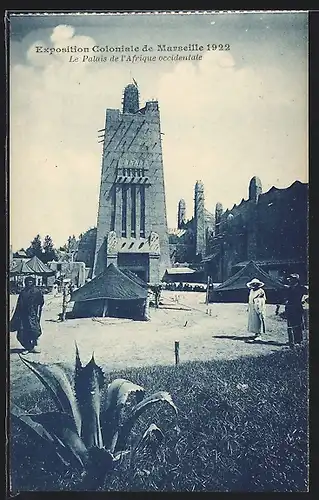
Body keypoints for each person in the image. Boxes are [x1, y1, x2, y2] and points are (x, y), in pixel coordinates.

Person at [10, 276, 44, 354]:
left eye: (31, 282)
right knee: (21, 333)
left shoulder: (37, 291)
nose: (29, 283)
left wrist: (38, 314)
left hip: (32, 315)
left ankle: (33, 344)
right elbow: (19, 304)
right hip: (22, 315)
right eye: (28, 282)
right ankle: (29, 347)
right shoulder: (23, 292)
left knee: (33, 330)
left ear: (33, 282)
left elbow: (40, 303)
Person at [284, 273, 308, 348]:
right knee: (290, 325)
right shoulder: (288, 288)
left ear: (296, 280)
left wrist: (304, 301)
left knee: (297, 325)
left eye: (292, 279)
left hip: (297, 308)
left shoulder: (302, 288)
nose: (290, 280)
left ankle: (298, 340)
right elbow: (285, 298)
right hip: (289, 308)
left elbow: (307, 297)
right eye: (290, 279)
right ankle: (291, 340)